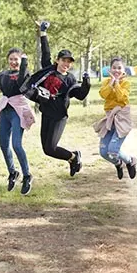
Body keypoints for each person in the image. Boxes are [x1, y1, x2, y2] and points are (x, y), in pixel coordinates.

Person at [21, 21, 90, 176]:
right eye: (63, 60)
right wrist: (43, 33)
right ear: (57, 61)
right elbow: (46, 53)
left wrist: (86, 83)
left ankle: (74, 157)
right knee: (47, 150)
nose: (66, 64)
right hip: (46, 113)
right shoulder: (49, 70)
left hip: (59, 116)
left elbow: (80, 95)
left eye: (69, 62)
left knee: (52, 148)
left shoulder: (71, 79)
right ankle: (72, 158)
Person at [0, 49, 35, 194]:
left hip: (18, 112)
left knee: (16, 144)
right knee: (3, 145)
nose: (13, 62)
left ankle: (27, 175)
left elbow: (22, 82)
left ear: (21, 61)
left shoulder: (25, 73)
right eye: (11, 59)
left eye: (16, 59)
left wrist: (24, 64)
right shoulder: (4, 74)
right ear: (7, 60)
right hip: (5, 112)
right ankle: (12, 172)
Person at [93, 57, 137, 180]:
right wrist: (111, 83)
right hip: (109, 118)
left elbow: (122, 98)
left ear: (123, 70)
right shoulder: (107, 82)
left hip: (122, 119)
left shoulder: (126, 83)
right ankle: (118, 164)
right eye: (114, 67)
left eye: (119, 68)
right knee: (103, 152)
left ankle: (130, 161)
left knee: (113, 150)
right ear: (110, 69)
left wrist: (117, 83)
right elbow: (103, 94)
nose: (116, 70)